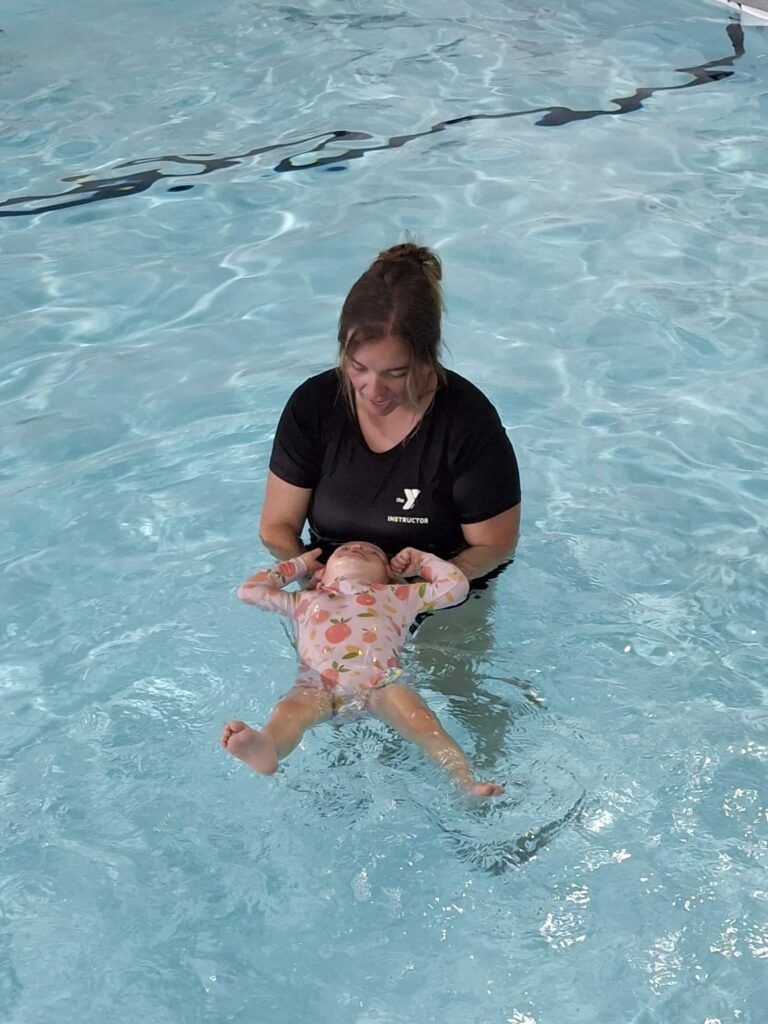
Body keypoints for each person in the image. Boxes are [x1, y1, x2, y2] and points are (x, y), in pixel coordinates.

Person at [258, 241, 521, 586]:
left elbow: (495, 545)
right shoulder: (314, 407)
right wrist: (316, 577)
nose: (373, 389)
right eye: (358, 368)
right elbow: (277, 527)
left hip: (440, 597)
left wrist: (417, 594)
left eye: (396, 374)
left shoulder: (468, 424)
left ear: (428, 358)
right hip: (336, 589)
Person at [221, 541, 505, 798]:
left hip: (381, 684)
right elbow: (249, 591)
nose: (356, 549)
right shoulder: (302, 601)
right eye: (342, 550)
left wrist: (420, 561)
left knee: (421, 721)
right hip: (318, 685)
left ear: (390, 575)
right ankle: (267, 746)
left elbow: (455, 588)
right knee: (289, 712)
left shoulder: (399, 595)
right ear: (321, 574)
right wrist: (299, 565)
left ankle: (463, 780)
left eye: (373, 553)